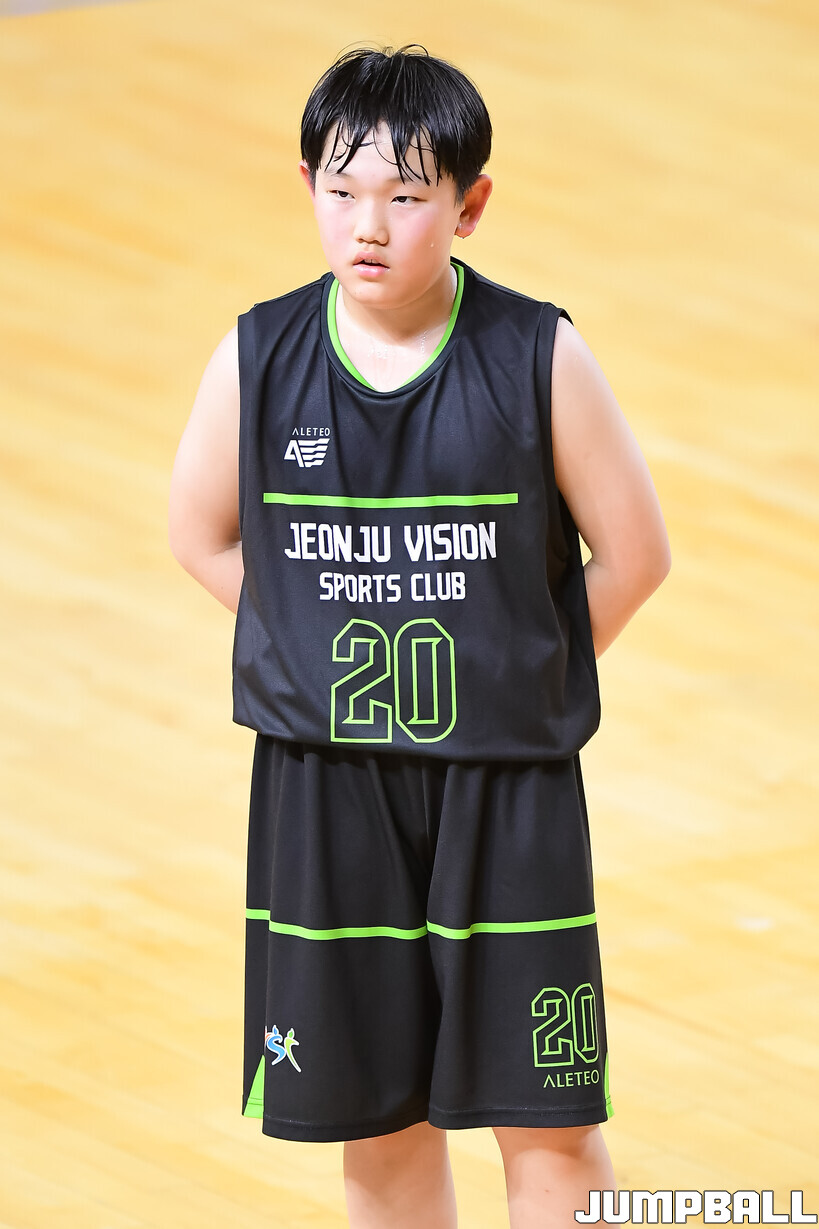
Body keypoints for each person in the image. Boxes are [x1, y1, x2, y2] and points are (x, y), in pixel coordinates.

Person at [168, 44, 671, 1229]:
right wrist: (311, 646)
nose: (369, 225)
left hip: (505, 787)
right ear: (308, 187)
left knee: (548, 1120)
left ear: (470, 205)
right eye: (343, 191)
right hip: (330, 789)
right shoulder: (258, 356)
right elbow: (200, 534)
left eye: (406, 195)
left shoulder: (539, 353)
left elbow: (636, 555)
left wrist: (520, 672)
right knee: (377, 1119)